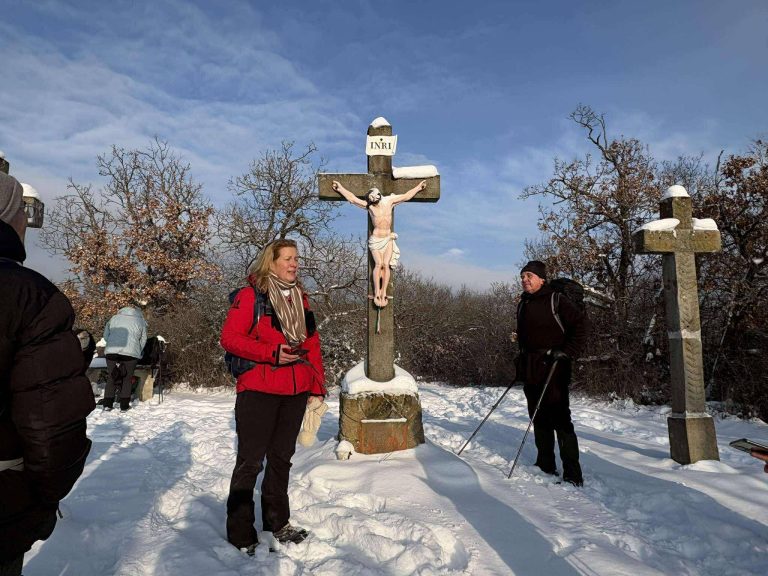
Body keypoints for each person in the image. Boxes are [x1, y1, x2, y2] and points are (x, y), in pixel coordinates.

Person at [0, 172, 95, 574]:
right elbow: (48, 420)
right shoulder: (28, 294)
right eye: (21, 208)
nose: (25, 218)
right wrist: (44, 496)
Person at [220, 238, 326, 554]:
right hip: (258, 390)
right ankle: (241, 533)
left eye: (297, 258)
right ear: (273, 262)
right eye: (289, 258)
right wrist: (271, 353)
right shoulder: (251, 296)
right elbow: (230, 338)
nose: (295, 263)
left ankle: (278, 523)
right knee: (250, 462)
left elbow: (312, 344)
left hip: (295, 390)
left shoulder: (301, 300)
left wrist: (317, 384)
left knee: (281, 459)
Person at [515, 260, 587, 486]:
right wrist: (521, 361)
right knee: (538, 416)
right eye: (522, 276)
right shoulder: (523, 303)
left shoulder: (557, 300)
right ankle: (545, 464)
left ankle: (573, 473)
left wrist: (566, 352)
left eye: (529, 276)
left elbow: (581, 327)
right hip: (531, 367)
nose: (525, 280)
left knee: (561, 419)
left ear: (541, 279)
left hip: (555, 367)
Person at [331, 179, 426, 307]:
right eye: (371, 200)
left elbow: (406, 196)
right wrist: (340, 188)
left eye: (374, 199)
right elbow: (353, 199)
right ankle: (377, 292)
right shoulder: (369, 206)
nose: (373, 202)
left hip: (387, 238)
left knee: (386, 265)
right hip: (376, 240)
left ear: (378, 196)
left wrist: (418, 187)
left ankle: (383, 292)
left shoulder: (389, 201)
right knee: (379, 264)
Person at [101, 305, 148, 411]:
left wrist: (112, 344)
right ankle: (124, 406)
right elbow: (143, 339)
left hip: (111, 352)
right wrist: (137, 350)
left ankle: (107, 404)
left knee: (111, 377)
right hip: (130, 353)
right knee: (127, 379)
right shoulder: (140, 320)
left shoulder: (114, 318)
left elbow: (105, 335)